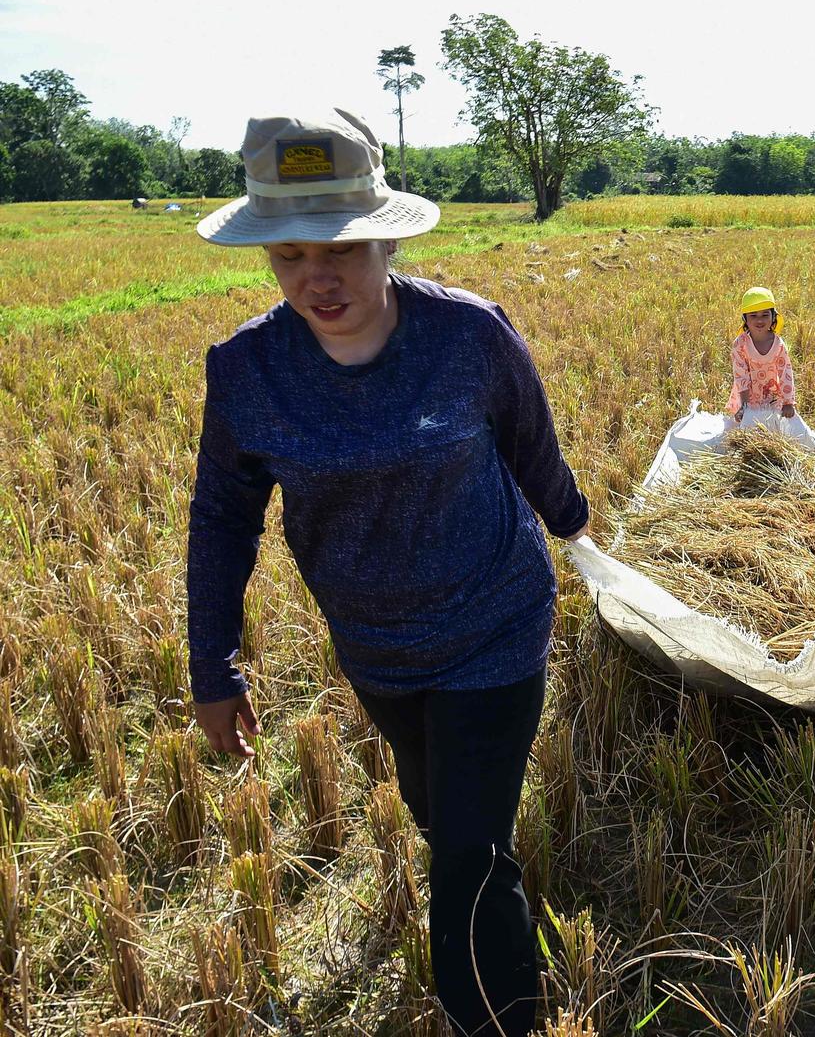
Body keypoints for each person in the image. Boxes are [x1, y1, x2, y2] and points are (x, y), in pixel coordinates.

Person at [188, 108, 587, 1035]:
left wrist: (578, 529)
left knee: (466, 853)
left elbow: (532, 447)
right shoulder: (247, 370)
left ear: (388, 236)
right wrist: (212, 667)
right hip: (377, 648)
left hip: (496, 624)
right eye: (286, 255)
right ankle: (515, 932)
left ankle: (495, 1018)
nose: (316, 277)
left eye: (341, 248)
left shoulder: (469, 337)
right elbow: (222, 517)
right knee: (441, 816)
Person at [726, 286, 815, 450]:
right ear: (745, 319)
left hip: (771, 393)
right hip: (747, 395)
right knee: (747, 433)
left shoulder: (778, 345)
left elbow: (786, 373)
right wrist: (744, 406)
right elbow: (740, 376)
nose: (759, 320)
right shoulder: (739, 344)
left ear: (773, 316)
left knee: (773, 432)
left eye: (765, 315)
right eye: (753, 315)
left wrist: (788, 402)